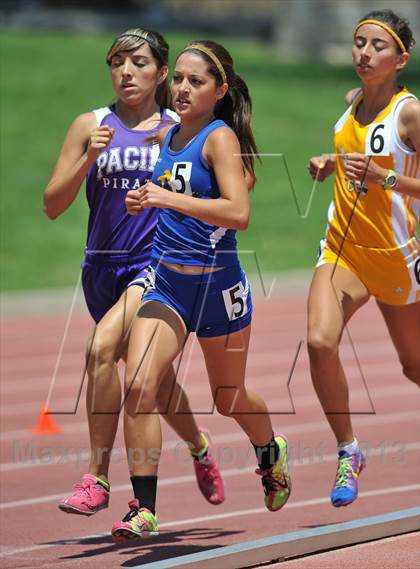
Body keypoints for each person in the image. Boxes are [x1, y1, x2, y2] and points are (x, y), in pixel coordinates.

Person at [110, 39, 291, 542]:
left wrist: (167, 195)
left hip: (218, 290)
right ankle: (143, 508)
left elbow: (239, 213)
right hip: (167, 284)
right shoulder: (166, 137)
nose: (183, 88)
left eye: (196, 81)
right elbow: (176, 193)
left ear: (220, 91)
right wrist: (143, 200)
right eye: (180, 79)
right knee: (140, 385)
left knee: (228, 397)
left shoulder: (219, 138)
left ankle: (270, 451)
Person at [43, 28, 225, 516]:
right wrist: (89, 157)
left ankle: (96, 478)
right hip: (101, 268)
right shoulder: (91, 124)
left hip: (154, 266)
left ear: (162, 73)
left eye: (139, 63)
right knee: (156, 385)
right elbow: (52, 205)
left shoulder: (175, 127)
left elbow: (219, 188)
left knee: (100, 350)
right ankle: (200, 446)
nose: (127, 72)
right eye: (118, 62)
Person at [307, 9, 419, 508]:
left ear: (401, 59)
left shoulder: (410, 114)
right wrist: (331, 162)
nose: (364, 53)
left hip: (397, 257)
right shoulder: (351, 103)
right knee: (318, 341)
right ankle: (349, 450)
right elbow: (355, 154)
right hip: (343, 248)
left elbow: (389, 172)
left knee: (414, 367)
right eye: (358, 43)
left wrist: (384, 178)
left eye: (377, 46)